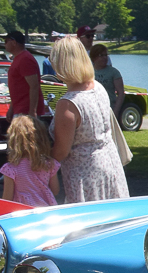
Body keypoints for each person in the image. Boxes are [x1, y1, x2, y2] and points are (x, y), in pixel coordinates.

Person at [48, 36, 129, 203]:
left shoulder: (68, 104)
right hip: (110, 164)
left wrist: (39, 159)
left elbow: (61, 151)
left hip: (85, 174)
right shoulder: (97, 87)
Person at [0, 115, 60, 207]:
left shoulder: (10, 169)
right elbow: (55, 191)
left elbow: (7, 199)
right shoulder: (49, 164)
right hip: (45, 210)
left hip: (21, 212)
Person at [3, 30, 49, 120]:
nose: (4, 44)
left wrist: (32, 111)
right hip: (19, 109)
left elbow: (34, 86)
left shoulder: (25, 59)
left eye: (6, 41)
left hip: (26, 111)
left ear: (13, 42)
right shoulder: (19, 58)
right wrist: (11, 108)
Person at [89, 44, 124, 118]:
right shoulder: (88, 72)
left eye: (106, 55)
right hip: (92, 111)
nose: (105, 58)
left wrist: (116, 111)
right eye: (101, 55)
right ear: (94, 57)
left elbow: (121, 93)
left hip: (109, 110)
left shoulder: (114, 72)